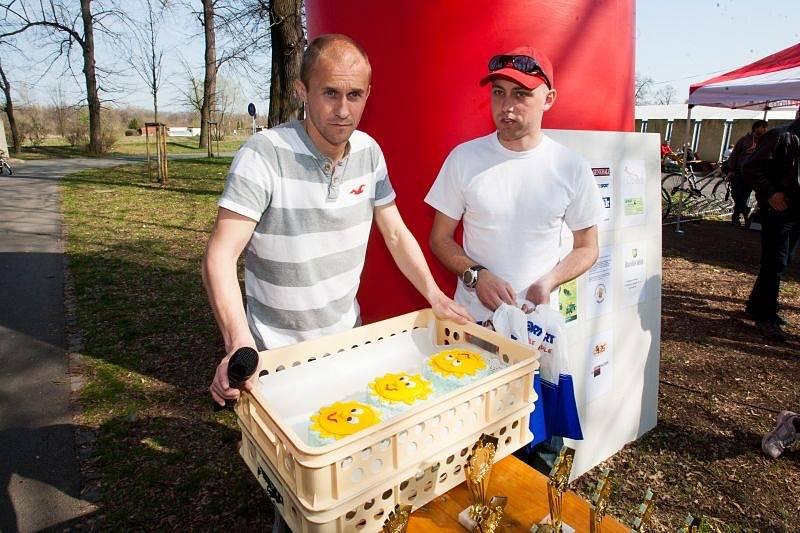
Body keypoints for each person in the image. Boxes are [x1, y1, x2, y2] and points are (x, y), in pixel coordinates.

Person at [204, 33, 472, 407]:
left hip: (347, 343)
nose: (343, 110)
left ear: (368, 94)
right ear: (303, 91)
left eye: (355, 95)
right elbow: (219, 256)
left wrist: (434, 294)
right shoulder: (263, 155)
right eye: (330, 93)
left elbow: (394, 233)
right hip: (275, 357)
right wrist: (238, 341)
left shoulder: (370, 153)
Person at [425, 46, 604, 471]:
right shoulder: (465, 158)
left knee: (541, 451)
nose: (507, 107)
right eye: (499, 93)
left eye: (521, 95)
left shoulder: (569, 166)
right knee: (473, 449)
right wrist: (475, 275)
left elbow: (587, 247)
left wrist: (549, 282)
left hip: (539, 336)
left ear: (549, 98)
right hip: (474, 332)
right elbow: (439, 239)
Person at [742, 109, 800, 342]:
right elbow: (750, 167)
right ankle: (766, 317)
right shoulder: (780, 135)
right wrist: (770, 193)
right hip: (779, 209)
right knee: (775, 262)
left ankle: (757, 306)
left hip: (796, 210)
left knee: (782, 261)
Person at [727, 120, 768, 226]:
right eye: (762, 127)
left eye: (765, 127)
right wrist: (731, 170)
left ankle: (743, 218)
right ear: (756, 128)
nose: (764, 129)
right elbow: (734, 155)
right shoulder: (744, 140)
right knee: (737, 195)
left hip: (756, 174)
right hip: (740, 173)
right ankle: (745, 213)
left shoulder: (766, 141)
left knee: (745, 197)